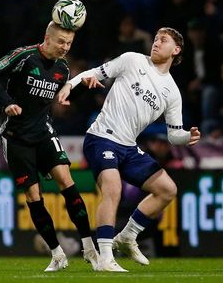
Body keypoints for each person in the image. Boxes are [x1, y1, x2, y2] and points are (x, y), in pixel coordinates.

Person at [58, 27, 201, 271]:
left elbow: (173, 135)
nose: (156, 42)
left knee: (167, 189)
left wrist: (187, 137)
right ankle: (104, 258)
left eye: (163, 40)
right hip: (101, 137)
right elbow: (95, 72)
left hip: (128, 147)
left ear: (175, 50)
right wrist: (70, 84)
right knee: (112, 188)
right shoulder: (132, 59)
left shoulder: (172, 92)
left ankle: (127, 237)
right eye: (155, 38)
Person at [0, 21, 98, 272]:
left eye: (69, 44)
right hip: (15, 136)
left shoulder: (63, 68)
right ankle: (57, 254)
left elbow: (62, 98)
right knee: (33, 196)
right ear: (46, 38)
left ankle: (89, 249)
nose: (64, 47)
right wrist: (7, 103)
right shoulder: (23, 56)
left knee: (67, 182)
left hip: (44, 133)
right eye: (60, 42)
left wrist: (83, 89)